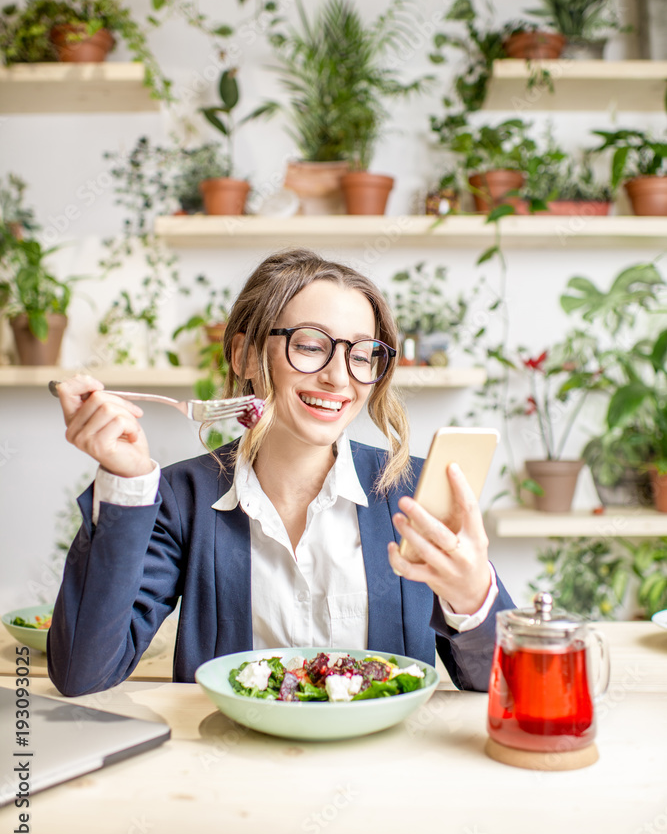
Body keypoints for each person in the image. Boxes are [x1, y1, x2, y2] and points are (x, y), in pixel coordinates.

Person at [48, 247, 514, 697]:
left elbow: (504, 686)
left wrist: (472, 598)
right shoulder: (179, 497)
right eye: (311, 345)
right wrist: (126, 482)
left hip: (383, 770)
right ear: (246, 356)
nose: (338, 377)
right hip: (229, 768)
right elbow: (84, 672)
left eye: (361, 354)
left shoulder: (415, 492)